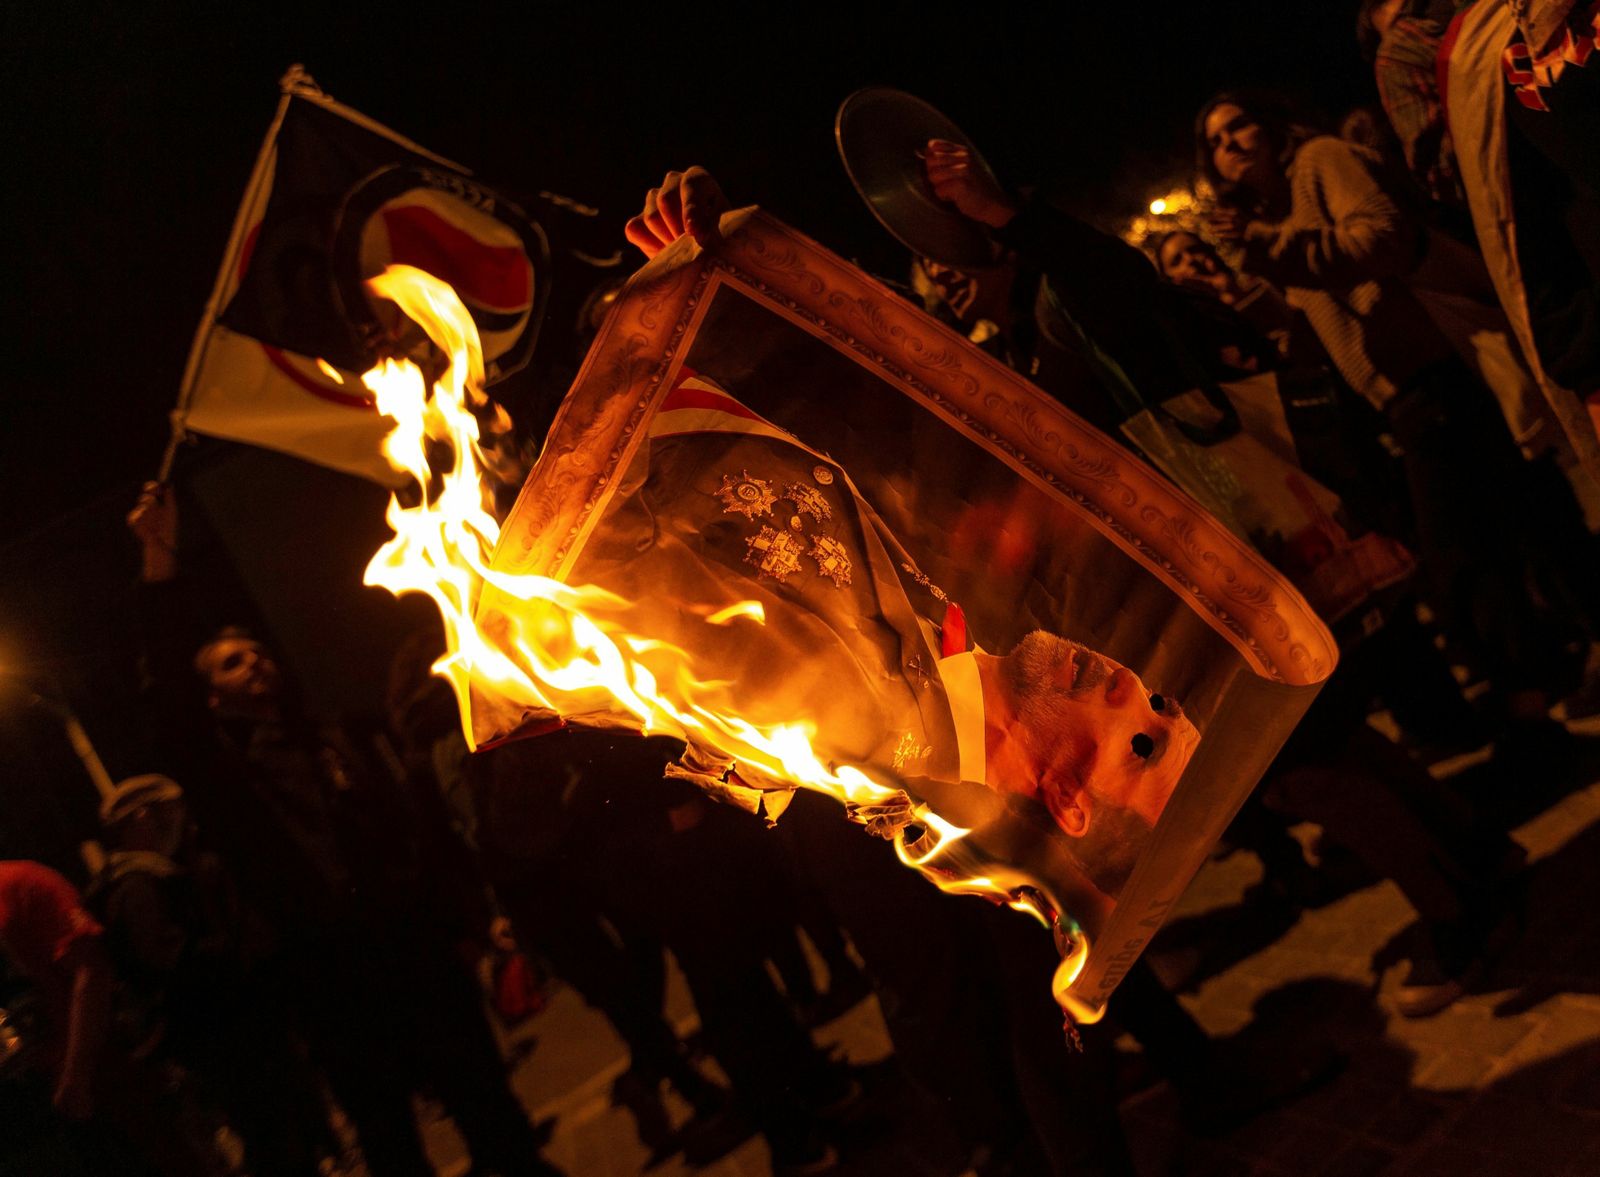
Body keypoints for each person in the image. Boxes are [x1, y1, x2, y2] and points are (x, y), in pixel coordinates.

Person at [539, 360, 1199, 913]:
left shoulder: (864, 723)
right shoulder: (946, 631)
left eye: (1141, 745)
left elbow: (625, 581)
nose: (1130, 684)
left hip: (553, 446)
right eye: (1161, 702)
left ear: (1066, 799)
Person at [126, 483, 565, 1177]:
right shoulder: (227, 775)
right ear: (212, 696)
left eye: (256, 651)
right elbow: (172, 706)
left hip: (410, 946)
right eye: (233, 663)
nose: (255, 661)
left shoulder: (331, 736)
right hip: (331, 974)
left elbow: (408, 830)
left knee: (482, 1091)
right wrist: (159, 558)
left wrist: (460, 917)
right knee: (387, 1131)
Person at [1195, 89, 1597, 752]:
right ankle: (1545, 694)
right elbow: (1320, 312)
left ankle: (1530, 717)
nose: (1229, 145)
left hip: (1433, 376)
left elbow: (1381, 238)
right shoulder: (1273, 215)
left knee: (1459, 559)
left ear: (1270, 126)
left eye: (1237, 126)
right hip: (1402, 393)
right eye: (1213, 141)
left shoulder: (1321, 162)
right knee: (1532, 523)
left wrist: (1268, 246)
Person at [89, 774, 326, 1177]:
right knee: (275, 1142)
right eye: (171, 813)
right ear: (143, 818)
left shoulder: (152, 878)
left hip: (226, 1032)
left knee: (282, 1139)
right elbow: (170, 960)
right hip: (222, 1036)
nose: (182, 823)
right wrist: (234, 949)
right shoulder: (137, 887)